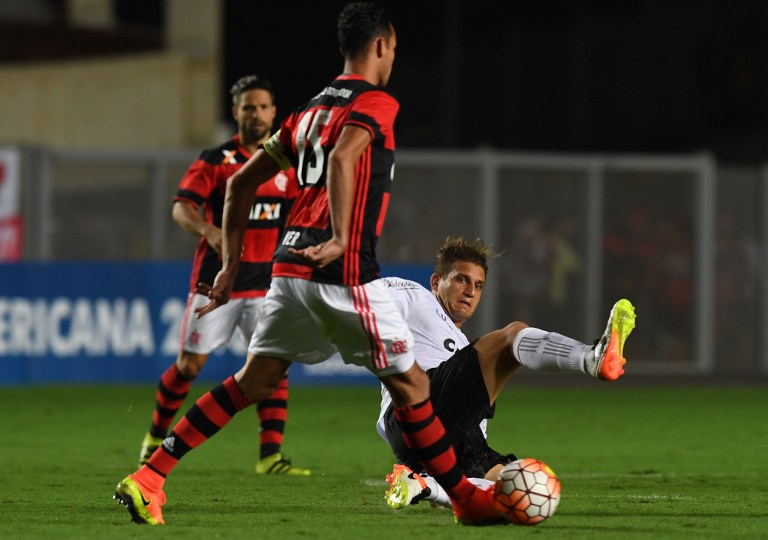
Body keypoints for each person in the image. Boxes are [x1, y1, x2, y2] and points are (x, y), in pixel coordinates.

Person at [113, 2, 504, 526]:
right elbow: (345, 156)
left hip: (286, 269)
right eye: (393, 49)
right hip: (342, 273)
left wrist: (229, 267)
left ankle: (149, 476)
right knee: (413, 387)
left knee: (251, 382)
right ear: (382, 45)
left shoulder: (305, 112)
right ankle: (467, 499)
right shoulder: (377, 102)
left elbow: (239, 186)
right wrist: (343, 238)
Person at [379, 236, 636, 509]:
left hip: (447, 437)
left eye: (478, 285)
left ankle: (424, 485)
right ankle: (591, 358)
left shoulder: (463, 345)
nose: (470, 291)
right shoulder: (415, 297)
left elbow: (471, 424)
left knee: (522, 487)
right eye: (461, 280)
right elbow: (364, 293)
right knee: (510, 337)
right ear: (435, 282)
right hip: (414, 405)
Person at [137, 74, 309, 475]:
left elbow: (302, 213)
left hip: (268, 285)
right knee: (189, 367)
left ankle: (270, 456)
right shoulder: (216, 160)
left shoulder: (285, 164)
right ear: (236, 112)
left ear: (273, 112)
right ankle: (154, 437)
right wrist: (208, 230)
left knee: (272, 366)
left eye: (264, 106)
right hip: (217, 283)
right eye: (249, 106)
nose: (258, 114)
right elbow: (182, 207)